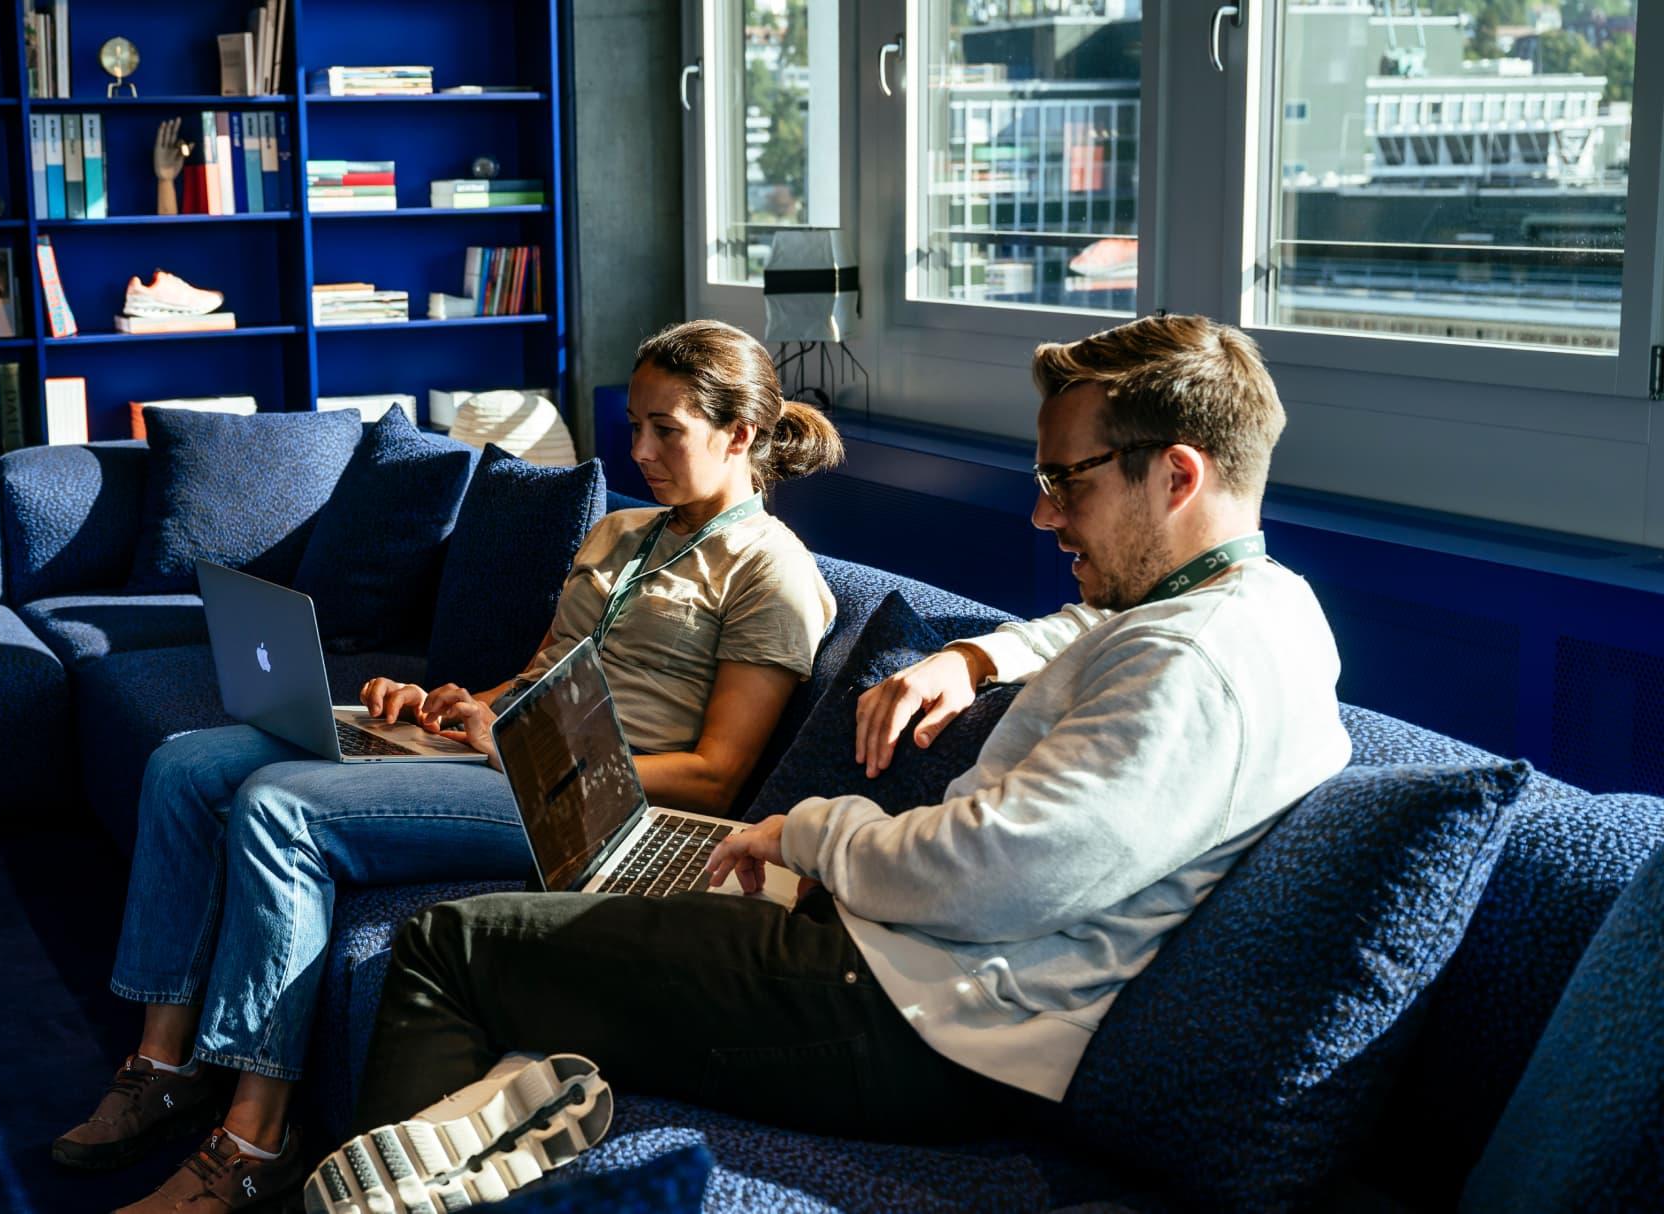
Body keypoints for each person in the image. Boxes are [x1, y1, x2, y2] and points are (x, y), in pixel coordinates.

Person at [306, 314, 1354, 1213]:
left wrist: (812, 826)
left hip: (912, 1019)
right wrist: (975, 651)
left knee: (448, 944)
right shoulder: (1260, 608)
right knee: (577, 954)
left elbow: (993, 871)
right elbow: (1092, 629)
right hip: (915, 981)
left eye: (1062, 478)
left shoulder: (1183, 663)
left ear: (1176, 474)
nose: (1042, 513)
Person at [56, 319, 847, 1213]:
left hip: (583, 805)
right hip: (504, 755)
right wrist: (456, 705)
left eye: (667, 430)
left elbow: (715, 776)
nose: (640, 450)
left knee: (282, 805)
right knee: (186, 765)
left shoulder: (769, 572)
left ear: (740, 435)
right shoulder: (623, 532)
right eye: (634, 425)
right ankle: (163, 1065)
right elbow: (540, 678)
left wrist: (515, 743)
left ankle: (253, 1139)